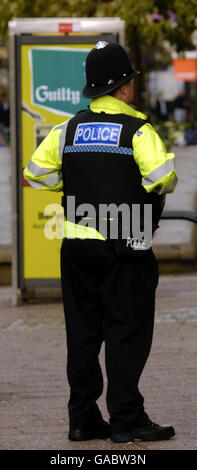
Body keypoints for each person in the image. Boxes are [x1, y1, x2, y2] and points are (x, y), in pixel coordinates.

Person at [24, 41, 178, 443]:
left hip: (75, 246)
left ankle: (82, 419)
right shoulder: (138, 129)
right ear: (124, 87)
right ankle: (127, 420)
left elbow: (34, 173)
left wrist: (73, 182)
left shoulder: (68, 128)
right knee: (126, 331)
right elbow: (163, 178)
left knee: (83, 333)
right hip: (126, 243)